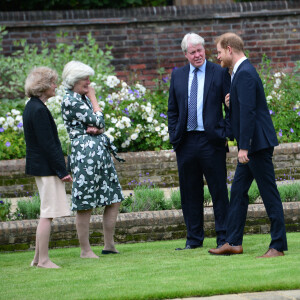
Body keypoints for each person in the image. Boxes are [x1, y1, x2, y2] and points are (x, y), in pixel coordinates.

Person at [209, 32, 288, 257]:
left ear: (230, 49)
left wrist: (244, 146)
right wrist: (230, 104)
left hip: (256, 146)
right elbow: (242, 109)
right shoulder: (240, 73)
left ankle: (278, 246)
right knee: (238, 193)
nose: (218, 57)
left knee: (268, 193)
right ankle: (233, 242)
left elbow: (250, 114)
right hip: (253, 144)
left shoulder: (244, 73)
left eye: (219, 52)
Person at [167, 33, 231, 250]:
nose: (197, 55)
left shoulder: (219, 72)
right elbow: (172, 110)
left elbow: (231, 107)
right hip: (186, 143)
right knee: (189, 193)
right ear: (185, 54)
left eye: (200, 50)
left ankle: (223, 238)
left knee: (219, 192)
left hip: (212, 141)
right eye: (192, 52)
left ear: (205, 49)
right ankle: (194, 239)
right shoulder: (178, 76)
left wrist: (225, 133)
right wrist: (174, 137)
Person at [61, 61, 124, 258]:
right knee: (85, 202)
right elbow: (99, 120)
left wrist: (98, 127)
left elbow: (99, 125)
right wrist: (94, 98)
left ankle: (109, 245)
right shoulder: (72, 100)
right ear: (74, 81)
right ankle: (85, 250)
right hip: (85, 156)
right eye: (85, 79)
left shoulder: (80, 97)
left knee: (113, 197)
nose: (89, 82)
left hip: (99, 153)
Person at [23, 67, 73, 269]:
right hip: (46, 168)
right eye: (53, 82)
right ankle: (43, 260)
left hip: (41, 167)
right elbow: (48, 144)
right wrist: (63, 171)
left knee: (47, 212)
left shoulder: (32, 106)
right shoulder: (38, 109)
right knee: (47, 214)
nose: (55, 86)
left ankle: (37, 259)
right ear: (43, 86)